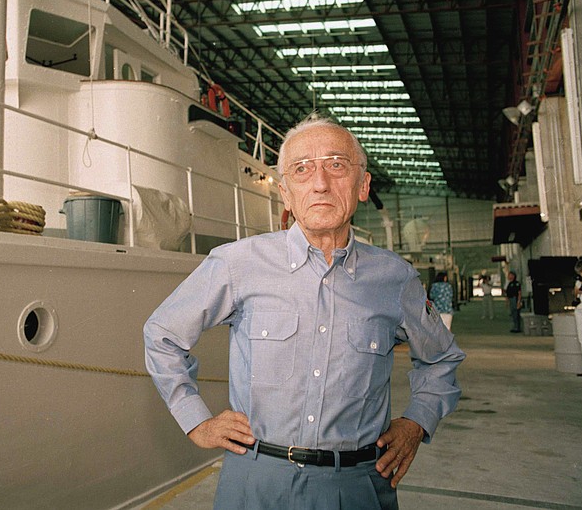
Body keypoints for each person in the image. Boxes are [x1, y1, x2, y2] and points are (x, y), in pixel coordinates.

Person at [144, 117, 466, 509]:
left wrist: (417, 421)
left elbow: (441, 358)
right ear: (286, 193)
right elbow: (162, 334)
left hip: (359, 485)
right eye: (301, 169)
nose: (319, 183)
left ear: (362, 186)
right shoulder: (237, 263)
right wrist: (195, 419)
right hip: (256, 481)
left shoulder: (394, 279)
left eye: (336, 165)